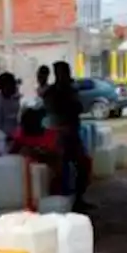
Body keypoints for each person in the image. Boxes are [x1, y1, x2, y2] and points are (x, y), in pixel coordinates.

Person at [43, 61, 92, 212]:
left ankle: (78, 198)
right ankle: (62, 202)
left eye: (66, 72)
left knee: (84, 165)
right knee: (60, 170)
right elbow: (53, 112)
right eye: (62, 72)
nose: (65, 75)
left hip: (72, 134)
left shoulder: (71, 90)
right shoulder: (52, 93)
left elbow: (80, 108)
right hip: (59, 135)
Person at [10, 107, 63, 188]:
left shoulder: (51, 136)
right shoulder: (20, 136)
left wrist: (38, 153)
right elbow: (11, 156)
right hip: (25, 178)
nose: (24, 127)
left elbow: (58, 159)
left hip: (47, 178)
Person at [0, 72, 22, 153]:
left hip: (15, 138)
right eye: (12, 85)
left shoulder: (14, 99)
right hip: (3, 141)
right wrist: (6, 137)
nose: (14, 87)